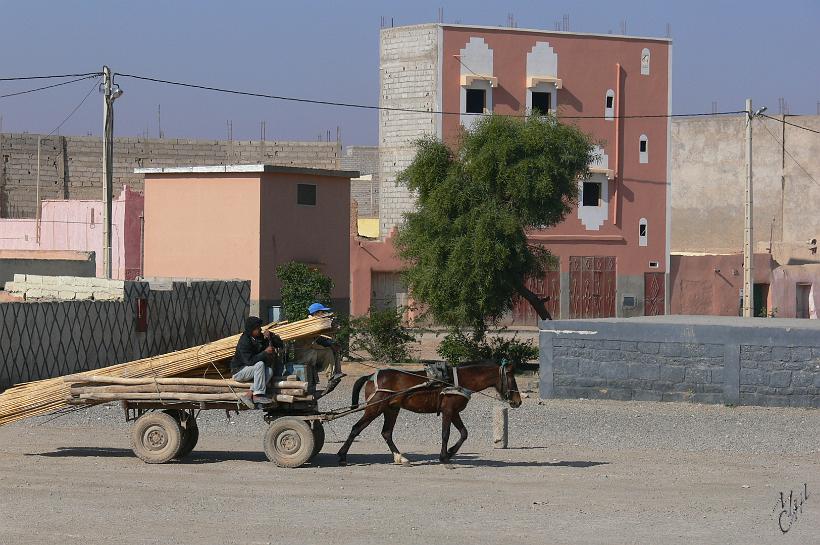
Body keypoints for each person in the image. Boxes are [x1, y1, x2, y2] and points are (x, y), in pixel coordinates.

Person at [230, 316, 284, 406]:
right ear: (251, 329)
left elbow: (280, 344)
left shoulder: (259, 338)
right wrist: (265, 352)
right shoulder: (244, 341)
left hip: (252, 370)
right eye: (257, 328)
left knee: (269, 371)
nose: (260, 329)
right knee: (260, 364)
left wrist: (272, 336)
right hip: (239, 371)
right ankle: (258, 395)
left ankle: (249, 394)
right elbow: (249, 361)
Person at [294, 302, 345, 391]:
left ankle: (337, 373)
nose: (324, 314)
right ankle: (331, 377)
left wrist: (332, 344)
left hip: (311, 352)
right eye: (322, 312)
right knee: (328, 352)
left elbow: (320, 340)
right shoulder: (308, 325)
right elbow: (312, 344)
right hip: (305, 354)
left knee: (333, 350)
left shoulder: (316, 325)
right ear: (316, 313)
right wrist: (328, 347)